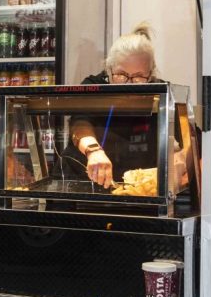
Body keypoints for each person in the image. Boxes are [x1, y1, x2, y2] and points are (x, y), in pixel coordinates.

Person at [65, 23, 169, 188]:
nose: (130, 84)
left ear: (151, 75)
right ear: (108, 68)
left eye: (139, 76)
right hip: (82, 183)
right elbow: (80, 122)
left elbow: (182, 142)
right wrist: (94, 151)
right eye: (121, 75)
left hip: (139, 192)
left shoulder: (162, 93)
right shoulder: (93, 85)